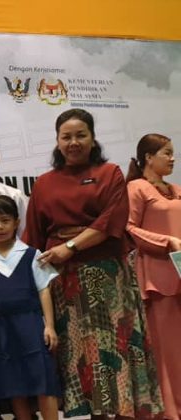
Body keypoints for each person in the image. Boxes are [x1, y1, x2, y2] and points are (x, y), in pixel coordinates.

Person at [22, 108, 162, 418]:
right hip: (63, 282)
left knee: (114, 348)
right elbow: (32, 237)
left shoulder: (110, 173)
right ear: (57, 141)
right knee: (81, 352)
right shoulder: (44, 183)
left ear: (93, 138)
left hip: (108, 276)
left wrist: (70, 247)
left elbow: (110, 222)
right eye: (66, 137)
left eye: (80, 135)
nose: (73, 142)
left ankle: (122, 412)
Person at [0, 195, 59, 420]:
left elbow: (43, 290)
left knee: (43, 382)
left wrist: (49, 326)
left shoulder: (31, 255)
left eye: (5, 220)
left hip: (31, 324)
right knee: (14, 385)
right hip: (0, 328)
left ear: (17, 222)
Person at [125, 133, 181, 420]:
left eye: (172, 153)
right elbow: (129, 227)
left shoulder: (176, 189)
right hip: (158, 277)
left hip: (179, 273)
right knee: (166, 347)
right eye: (166, 153)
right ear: (148, 157)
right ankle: (168, 411)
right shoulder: (136, 187)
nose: (172, 158)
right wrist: (166, 241)